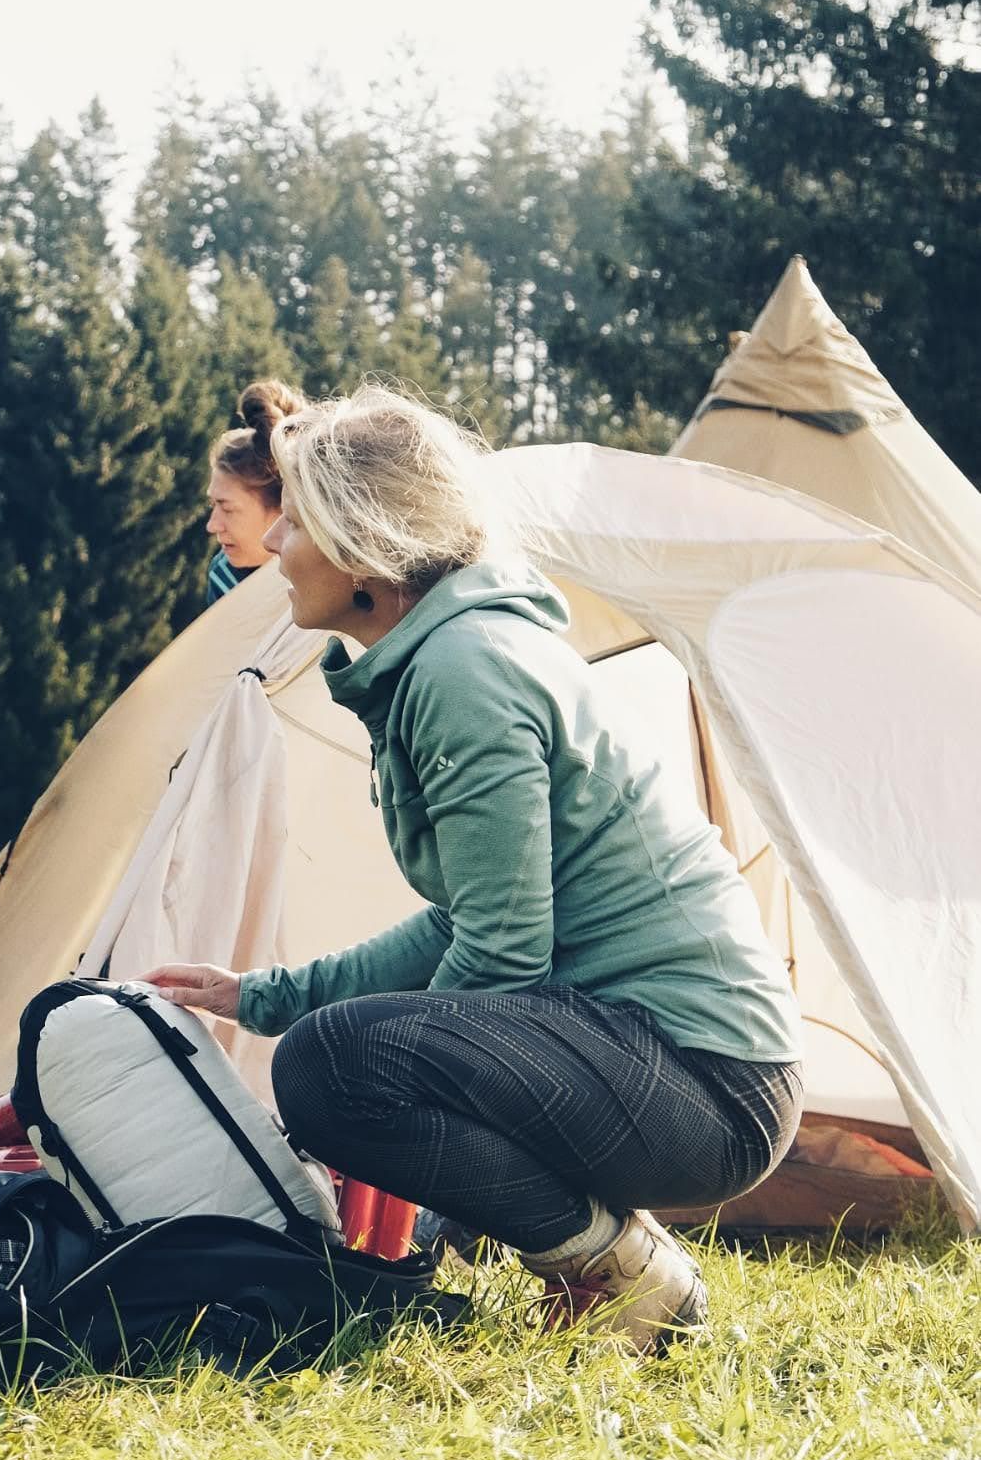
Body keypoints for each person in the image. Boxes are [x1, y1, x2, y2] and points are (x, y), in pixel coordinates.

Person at [149, 384, 804, 1355]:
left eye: (298, 517)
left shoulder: (467, 671)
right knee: (329, 1048)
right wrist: (266, 993)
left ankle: (623, 1270)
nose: (276, 543)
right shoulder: (448, 656)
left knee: (331, 1068)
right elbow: (468, 922)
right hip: (657, 1059)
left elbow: (499, 954)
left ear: (364, 545)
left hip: (705, 1078)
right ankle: (610, 1255)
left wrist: (421, 1140)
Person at [204, 379, 307, 607]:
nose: (212, 525)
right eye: (213, 505)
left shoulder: (339, 577)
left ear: (284, 509)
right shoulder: (224, 579)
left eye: (227, 508)